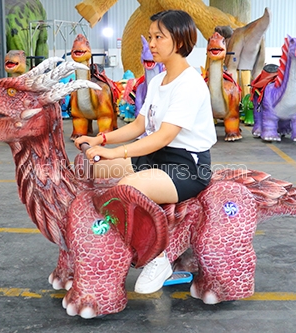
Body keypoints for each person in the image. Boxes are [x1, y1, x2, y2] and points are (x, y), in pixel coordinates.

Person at [74, 9, 217, 294]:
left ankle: (159, 256)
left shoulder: (190, 84)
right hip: (153, 159)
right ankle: (92, 242)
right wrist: (100, 138)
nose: (151, 43)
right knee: (89, 168)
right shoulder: (156, 81)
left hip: (185, 166)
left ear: (178, 41)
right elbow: (140, 125)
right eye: (151, 37)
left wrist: (118, 153)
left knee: (127, 188)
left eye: (158, 37)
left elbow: (164, 136)